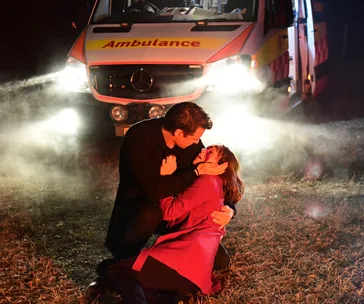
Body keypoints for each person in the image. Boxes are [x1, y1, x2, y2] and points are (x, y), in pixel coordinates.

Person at [88, 102, 235, 294]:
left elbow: (223, 179)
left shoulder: (190, 143)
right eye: (195, 138)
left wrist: (231, 208)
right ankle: (120, 267)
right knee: (150, 214)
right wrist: (196, 171)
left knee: (220, 260)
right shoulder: (139, 138)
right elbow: (154, 190)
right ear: (179, 133)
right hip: (142, 208)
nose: (198, 144)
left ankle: (160, 263)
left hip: (178, 213)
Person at [101, 144, 245, 303]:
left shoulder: (207, 180)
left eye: (210, 153)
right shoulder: (213, 181)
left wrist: (165, 178)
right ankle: (169, 298)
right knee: (118, 269)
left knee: (112, 269)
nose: (203, 151)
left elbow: (169, 212)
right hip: (193, 267)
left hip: (184, 261)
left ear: (222, 166)